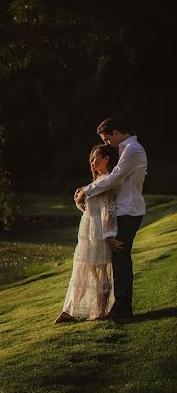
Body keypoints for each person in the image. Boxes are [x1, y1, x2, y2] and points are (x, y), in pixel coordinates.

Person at [74, 118, 147, 318]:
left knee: (121, 260)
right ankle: (122, 308)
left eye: (106, 139)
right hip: (126, 210)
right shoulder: (127, 149)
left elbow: (114, 178)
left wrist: (86, 190)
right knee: (120, 260)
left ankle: (120, 309)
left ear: (115, 133)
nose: (107, 144)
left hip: (128, 211)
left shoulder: (133, 150)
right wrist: (83, 192)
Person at [56, 144, 122, 323]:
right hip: (87, 232)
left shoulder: (107, 181)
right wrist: (79, 198)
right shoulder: (98, 181)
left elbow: (108, 210)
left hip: (99, 233)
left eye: (95, 158)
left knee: (99, 272)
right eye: (91, 159)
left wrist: (109, 237)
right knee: (84, 269)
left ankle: (99, 311)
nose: (92, 162)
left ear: (106, 159)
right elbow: (86, 201)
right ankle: (70, 309)